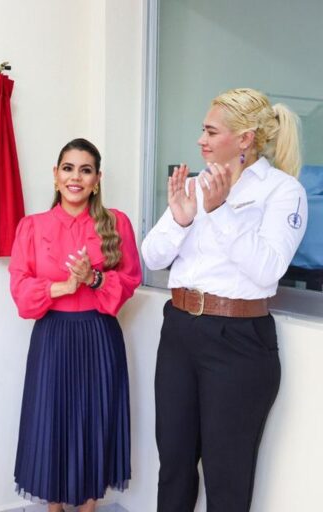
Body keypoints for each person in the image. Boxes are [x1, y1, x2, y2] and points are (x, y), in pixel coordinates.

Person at [141, 87, 307, 512]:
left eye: (211, 132)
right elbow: (153, 255)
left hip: (238, 341)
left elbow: (268, 269)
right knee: (174, 465)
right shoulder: (195, 185)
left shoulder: (283, 191)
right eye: (203, 130)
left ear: (245, 139)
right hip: (180, 330)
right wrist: (181, 220)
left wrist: (220, 212)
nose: (201, 140)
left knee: (227, 477)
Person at [9, 138, 141, 512]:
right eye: (68, 168)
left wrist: (93, 280)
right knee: (52, 421)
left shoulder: (116, 223)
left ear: (97, 179)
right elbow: (20, 290)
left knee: (95, 419)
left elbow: (129, 281)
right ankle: (54, 508)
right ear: (55, 175)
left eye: (85, 170)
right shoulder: (31, 227)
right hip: (52, 336)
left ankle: (88, 508)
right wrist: (62, 286)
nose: (76, 178)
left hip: (99, 337)